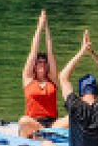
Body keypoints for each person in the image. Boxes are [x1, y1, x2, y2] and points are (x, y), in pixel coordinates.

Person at [18, 9, 69, 139]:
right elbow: (33, 51)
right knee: (23, 120)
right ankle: (41, 134)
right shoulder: (28, 79)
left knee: (72, 118)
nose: (42, 64)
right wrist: (39, 26)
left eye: (44, 62)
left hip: (52, 124)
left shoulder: (52, 79)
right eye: (39, 62)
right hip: (34, 123)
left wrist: (46, 29)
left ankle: (44, 135)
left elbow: (50, 51)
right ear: (34, 66)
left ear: (47, 66)